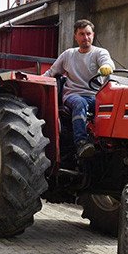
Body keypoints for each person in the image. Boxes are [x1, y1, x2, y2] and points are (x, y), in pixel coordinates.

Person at [43, 19, 115, 159]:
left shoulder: (99, 53)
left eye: (88, 34)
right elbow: (51, 73)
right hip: (73, 95)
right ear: (75, 36)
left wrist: (107, 67)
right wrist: (36, 80)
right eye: (81, 34)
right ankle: (81, 142)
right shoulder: (68, 55)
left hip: (95, 95)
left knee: (111, 106)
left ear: (93, 35)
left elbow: (107, 62)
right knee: (80, 103)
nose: (85, 37)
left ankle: (109, 143)